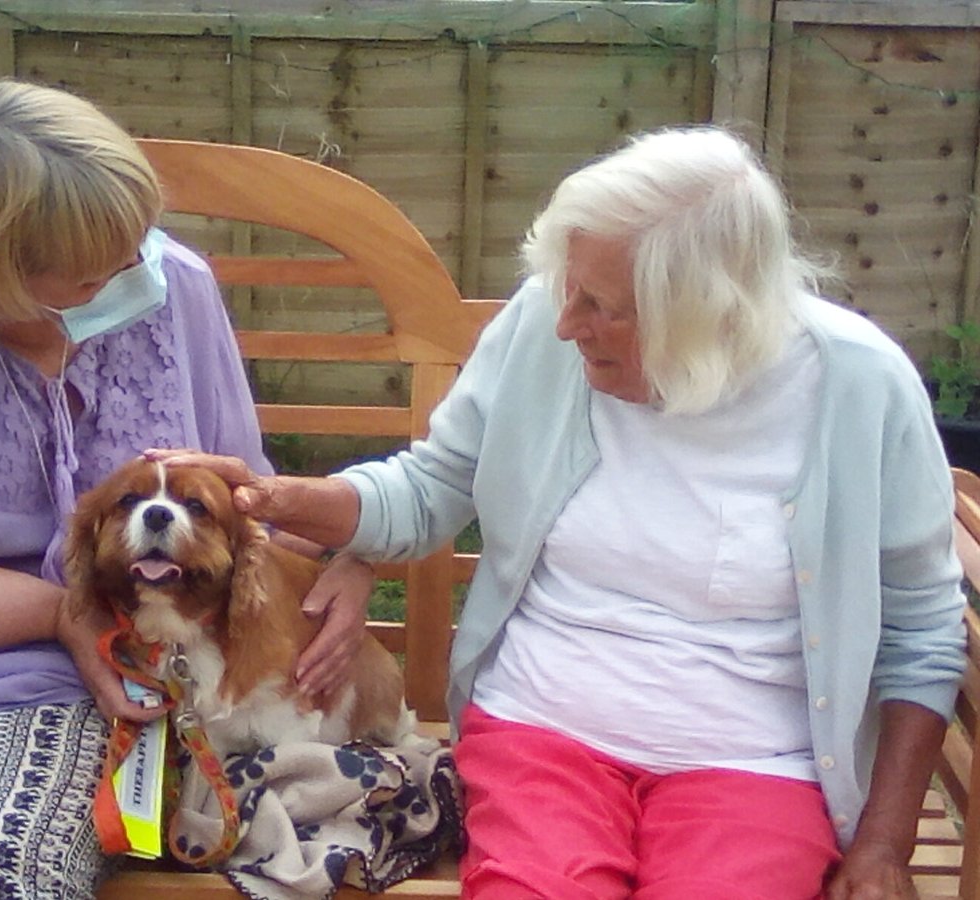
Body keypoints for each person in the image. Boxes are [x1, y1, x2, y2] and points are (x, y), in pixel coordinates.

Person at [152, 125, 969, 899]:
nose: (566, 323)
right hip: (544, 732)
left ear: (706, 312)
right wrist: (295, 500)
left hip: (760, 759)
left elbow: (923, 633)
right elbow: (432, 488)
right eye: (567, 290)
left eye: (602, 306)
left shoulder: (859, 386)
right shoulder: (546, 333)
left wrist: (882, 846)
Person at [0, 79, 372, 898]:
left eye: (139, 242)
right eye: (96, 273)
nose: (138, 275)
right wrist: (64, 605)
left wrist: (356, 553)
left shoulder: (171, 285)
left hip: (49, 680)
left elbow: (242, 506)